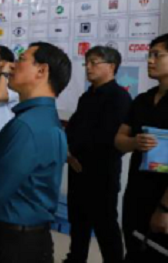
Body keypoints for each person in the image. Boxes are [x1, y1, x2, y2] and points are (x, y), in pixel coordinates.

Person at [0, 42, 72, 263]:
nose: (11, 66)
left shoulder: (27, 125)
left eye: (21, 60)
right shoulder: (45, 118)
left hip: (14, 241)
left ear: (42, 71)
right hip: (29, 237)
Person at [64, 46, 132, 263]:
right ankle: (76, 258)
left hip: (102, 172)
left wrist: (79, 153)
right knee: (78, 221)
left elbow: (108, 137)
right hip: (77, 168)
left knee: (105, 225)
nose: (88, 67)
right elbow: (74, 128)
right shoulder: (86, 96)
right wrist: (68, 152)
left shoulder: (119, 97)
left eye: (94, 63)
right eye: (87, 63)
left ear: (111, 66)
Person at [115, 34, 168, 262]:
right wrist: (134, 142)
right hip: (137, 193)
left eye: (157, 55)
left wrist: (164, 209)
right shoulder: (142, 100)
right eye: (149, 55)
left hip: (163, 199)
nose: (150, 60)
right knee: (134, 252)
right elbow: (119, 139)